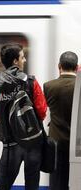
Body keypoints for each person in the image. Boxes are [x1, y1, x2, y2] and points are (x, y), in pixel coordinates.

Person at [0, 43, 47, 190]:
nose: (25, 60)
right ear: (15, 61)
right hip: (32, 142)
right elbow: (42, 111)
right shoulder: (31, 81)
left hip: (10, 143)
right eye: (22, 57)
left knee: (4, 185)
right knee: (32, 185)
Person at [43, 51, 78, 190]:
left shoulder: (48, 86)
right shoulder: (79, 86)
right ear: (77, 67)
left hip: (56, 141)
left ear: (59, 66)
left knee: (57, 181)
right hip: (77, 142)